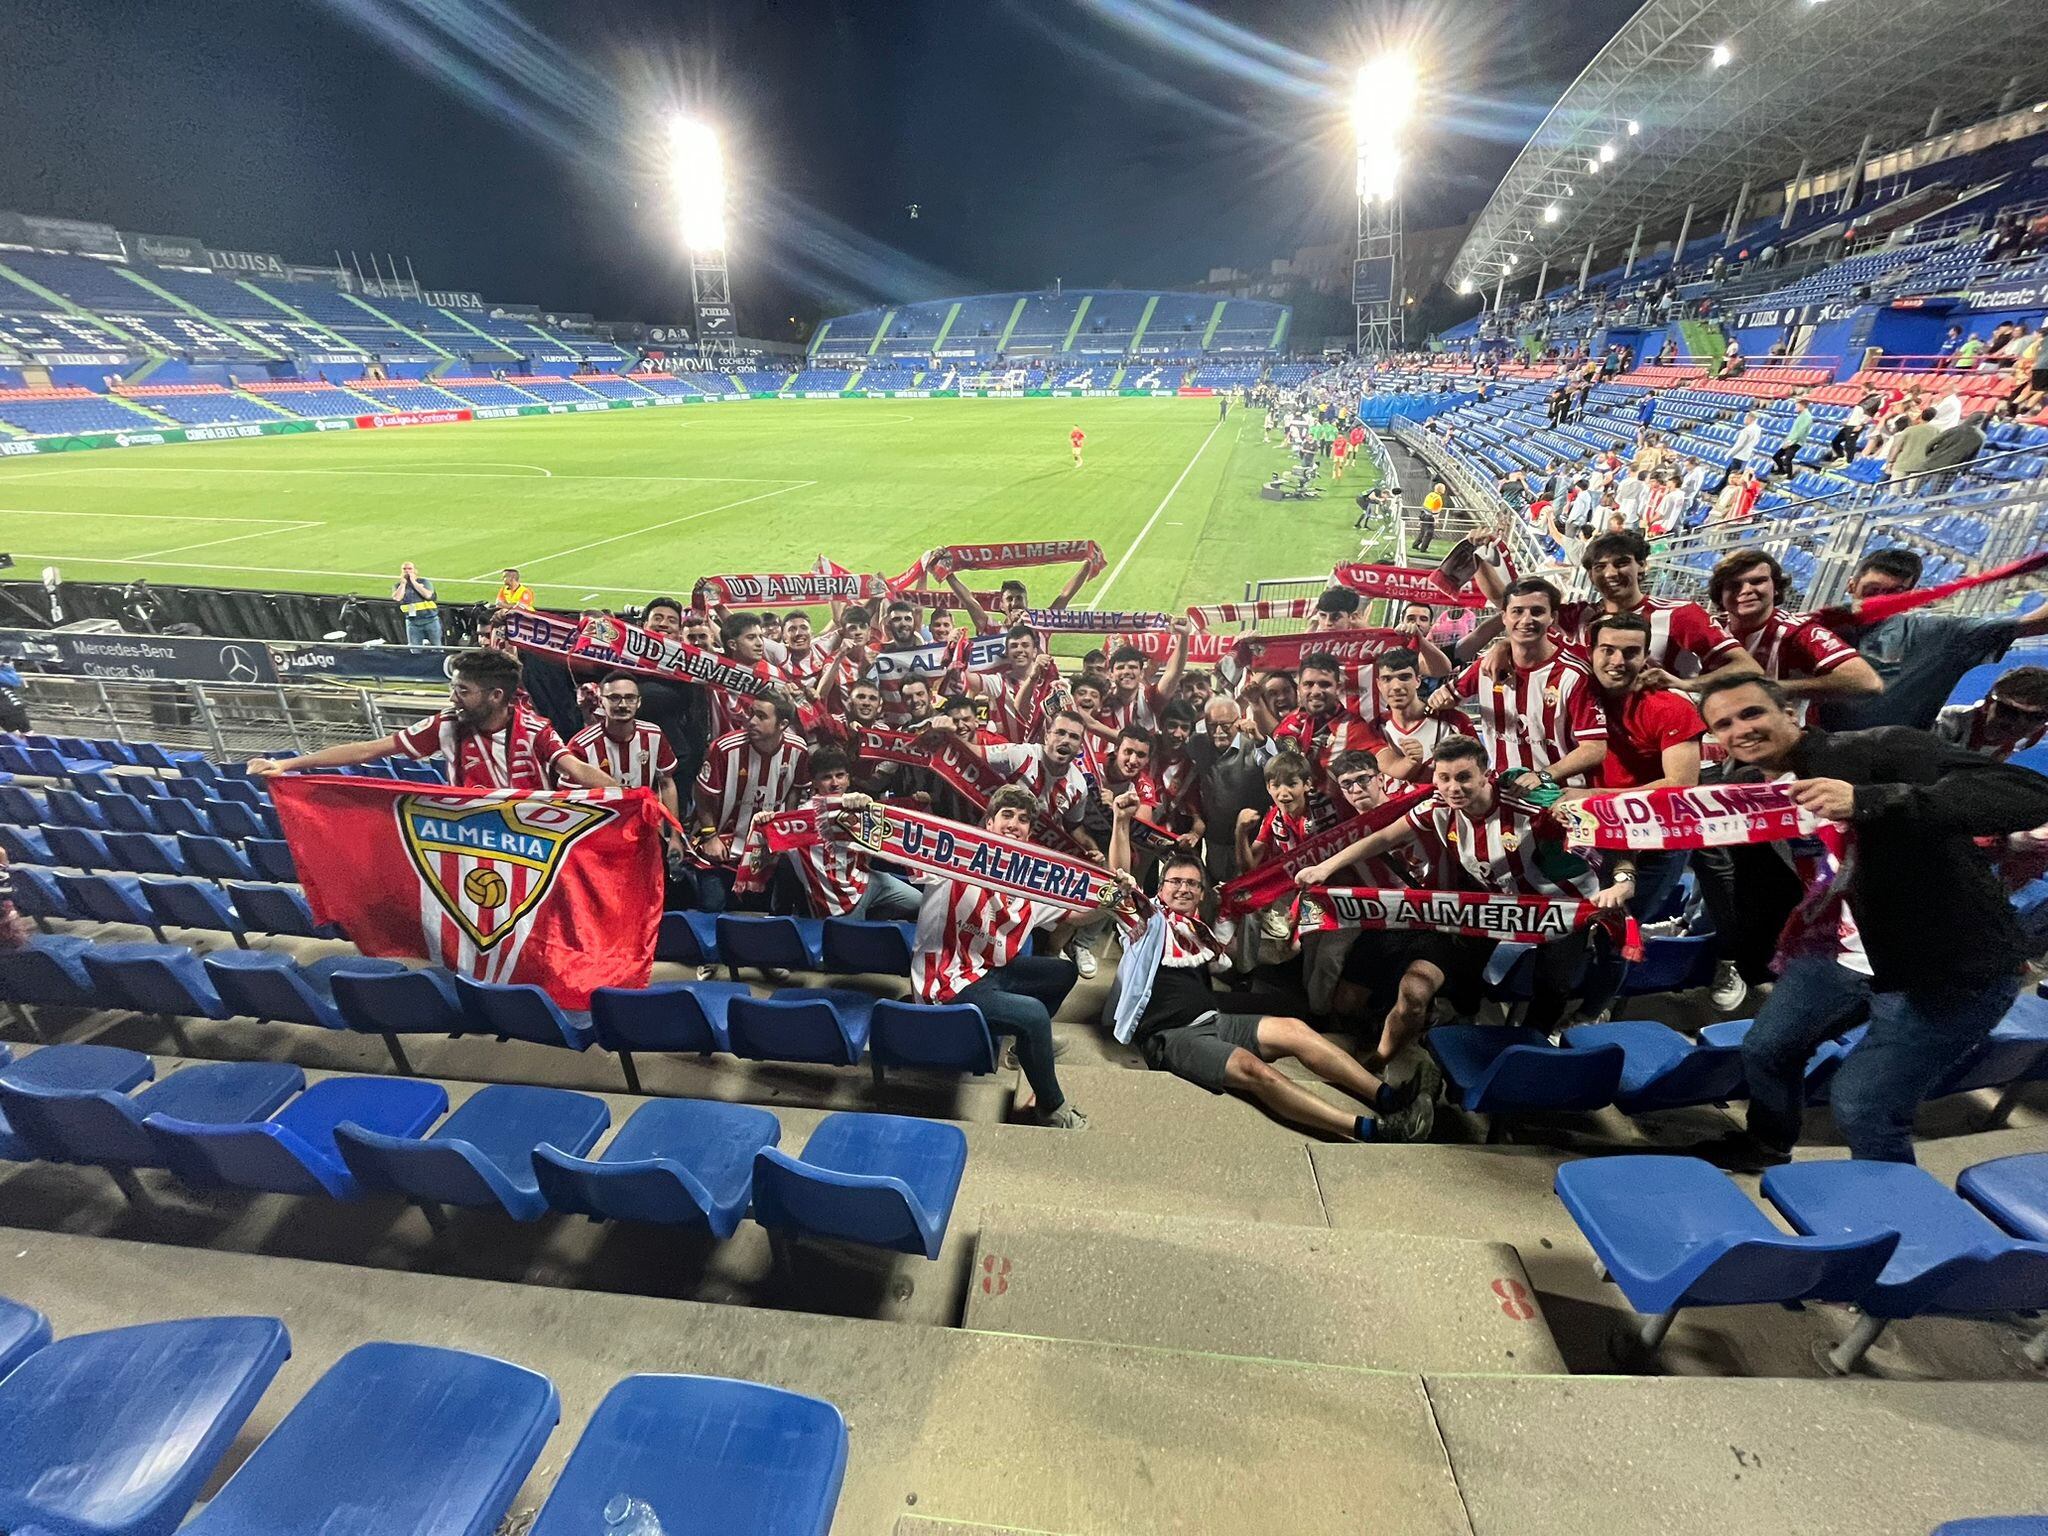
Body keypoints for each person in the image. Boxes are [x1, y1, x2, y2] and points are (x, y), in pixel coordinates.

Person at [1694, 673, 2048, 1166]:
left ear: (1788, 712)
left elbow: (2028, 791)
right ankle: (1767, 1144)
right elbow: (1662, 813)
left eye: (1751, 713)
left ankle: (1888, 1224)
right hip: (1845, 950)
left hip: (1947, 967)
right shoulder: (1747, 791)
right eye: (1724, 723)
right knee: (1766, 1049)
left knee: (1864, 1105)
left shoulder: (1881, 748)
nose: (1741, 730)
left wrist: (1869, 801)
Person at [1104, 796, 1436, 1142]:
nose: (1183, 889)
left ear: (1202, 894)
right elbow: (1119, 882)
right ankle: (1372, 1130)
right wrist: (1121, 822)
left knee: (1295, 1029)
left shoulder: (1198, 930)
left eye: (1192, 884)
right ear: (1161, 888)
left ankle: (1389, 1097)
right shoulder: (1144, 922)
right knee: (1253, 1070)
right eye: (1175, 882)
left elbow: (1226, 959)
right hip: (1172, 1036)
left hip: (1215, 1020)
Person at [1295, 735, 1633, 1053]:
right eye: (1444, 778)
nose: (1453, 788)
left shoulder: (1531, 806)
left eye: (1463, 777)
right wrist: (1325, 868)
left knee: (1553, 984)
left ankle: (1532, 1046)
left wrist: (1622, 881)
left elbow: (1610, 831)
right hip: (1498, 903)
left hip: (1563, 906)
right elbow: (1384, 837)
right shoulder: (1437, 807)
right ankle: (1466, 1018)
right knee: (1464, 963)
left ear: (1486, 774)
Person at [909, 785, 1088, 1129]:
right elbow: (897, 845)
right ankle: (1052, 1108)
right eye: (1007, 815)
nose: (1015, 824)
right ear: (989, 823)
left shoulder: (1031, 878)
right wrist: (859, 812)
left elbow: (1077, 915)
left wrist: (1110, 902)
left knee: (1063, 973)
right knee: (1034, 1015)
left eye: (1023, 820)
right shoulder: (952, 856)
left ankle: (1024, 1049)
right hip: (945, 984)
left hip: (987, 971)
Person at [1565, 613, 1706, 1022]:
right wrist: (1502, 646)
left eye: (1630, 652)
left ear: (1646, 656)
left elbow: (1679, 785)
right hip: (1592, 832)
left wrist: (1591, 797)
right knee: (1572, 924)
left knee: (1616, 930)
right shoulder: (1578, 691)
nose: (1617, 660)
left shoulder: (1669, 708)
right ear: (1590, 652)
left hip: (1655, 843)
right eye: (1607, 650)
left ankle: (1591, 1013)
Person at [248, 648, 614, 790]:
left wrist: (632, 798)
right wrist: (288, 764)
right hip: (472, 839)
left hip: (532, 842)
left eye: (463, 691)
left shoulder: (535, 730)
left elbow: (579, 771)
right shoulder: (446, 725)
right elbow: (367, 749)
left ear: (496, 696)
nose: (453, 698)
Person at [1818, 549, 2048, 732]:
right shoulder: (1815, 628)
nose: (1880, 601)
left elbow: (2036, 623)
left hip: (1884, 767)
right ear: (1851, 585)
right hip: (1807, 751)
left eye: (1895, 594)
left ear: (1910, 595)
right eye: (1872, 590)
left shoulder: (1937, 635)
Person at [1432, 577, 1609, 788]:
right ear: (1504, 617)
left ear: (1552, 617)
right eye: (1517, 611)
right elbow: (1445, 699)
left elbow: (1595, 748)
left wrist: (1544, 776)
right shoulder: (1487, 666)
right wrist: (1438, 699)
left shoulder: (1574, 674)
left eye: (1537, 611)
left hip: (1557, 793)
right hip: (1504, 789)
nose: (1526, 620)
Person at [688, 692, 811, 912]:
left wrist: (786, 836)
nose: (751, 721)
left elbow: (795, 790)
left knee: (760, 916)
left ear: (782, 724)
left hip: (763, 852)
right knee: (713, 908)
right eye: (752, 713)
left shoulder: (798, 749)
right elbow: (702, 794)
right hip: (719, 846)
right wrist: (710, 836)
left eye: (761, 716)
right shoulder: (725, 748)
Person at [781, 757, 924, 921]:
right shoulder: (800, 821)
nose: (835, 783)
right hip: (837, 902)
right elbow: (773, 850)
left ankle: (871, 922)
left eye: (840, 775)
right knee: (851, 943)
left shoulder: (857, 803)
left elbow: (892, 819)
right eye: (827, 777)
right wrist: (764, 821)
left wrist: (916, 804)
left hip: (866, 881)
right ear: (814, 782)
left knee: (919, 903)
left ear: (848, 779)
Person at [565, 672, 682, 833]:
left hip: (643, 829)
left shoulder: (653, 735)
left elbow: (667, 784)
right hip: (597, 832)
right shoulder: (581, 745)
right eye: (614, 698)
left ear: (638, 702)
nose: (622, 704)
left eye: (630, 698)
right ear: (601, 701)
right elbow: (567, 798)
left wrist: (676, 835)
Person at [1934, 666, 2048, 761]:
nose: (2018, 724)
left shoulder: (2034, 736)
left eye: (2036, 717)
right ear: (1988, 703)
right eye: (2009, 711)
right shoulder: (1945, 724)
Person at [392, 562, 441, 648]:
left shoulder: (424, 582)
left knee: (437, 647)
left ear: (415, 571)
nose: (407, 571)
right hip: (412, 622)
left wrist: (414, 582)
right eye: (404, 569)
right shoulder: (398, 586)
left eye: (410, 569)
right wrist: (403, 584)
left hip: (430, 619)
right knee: (414, 649)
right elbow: (397, 598)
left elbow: (428, 595)